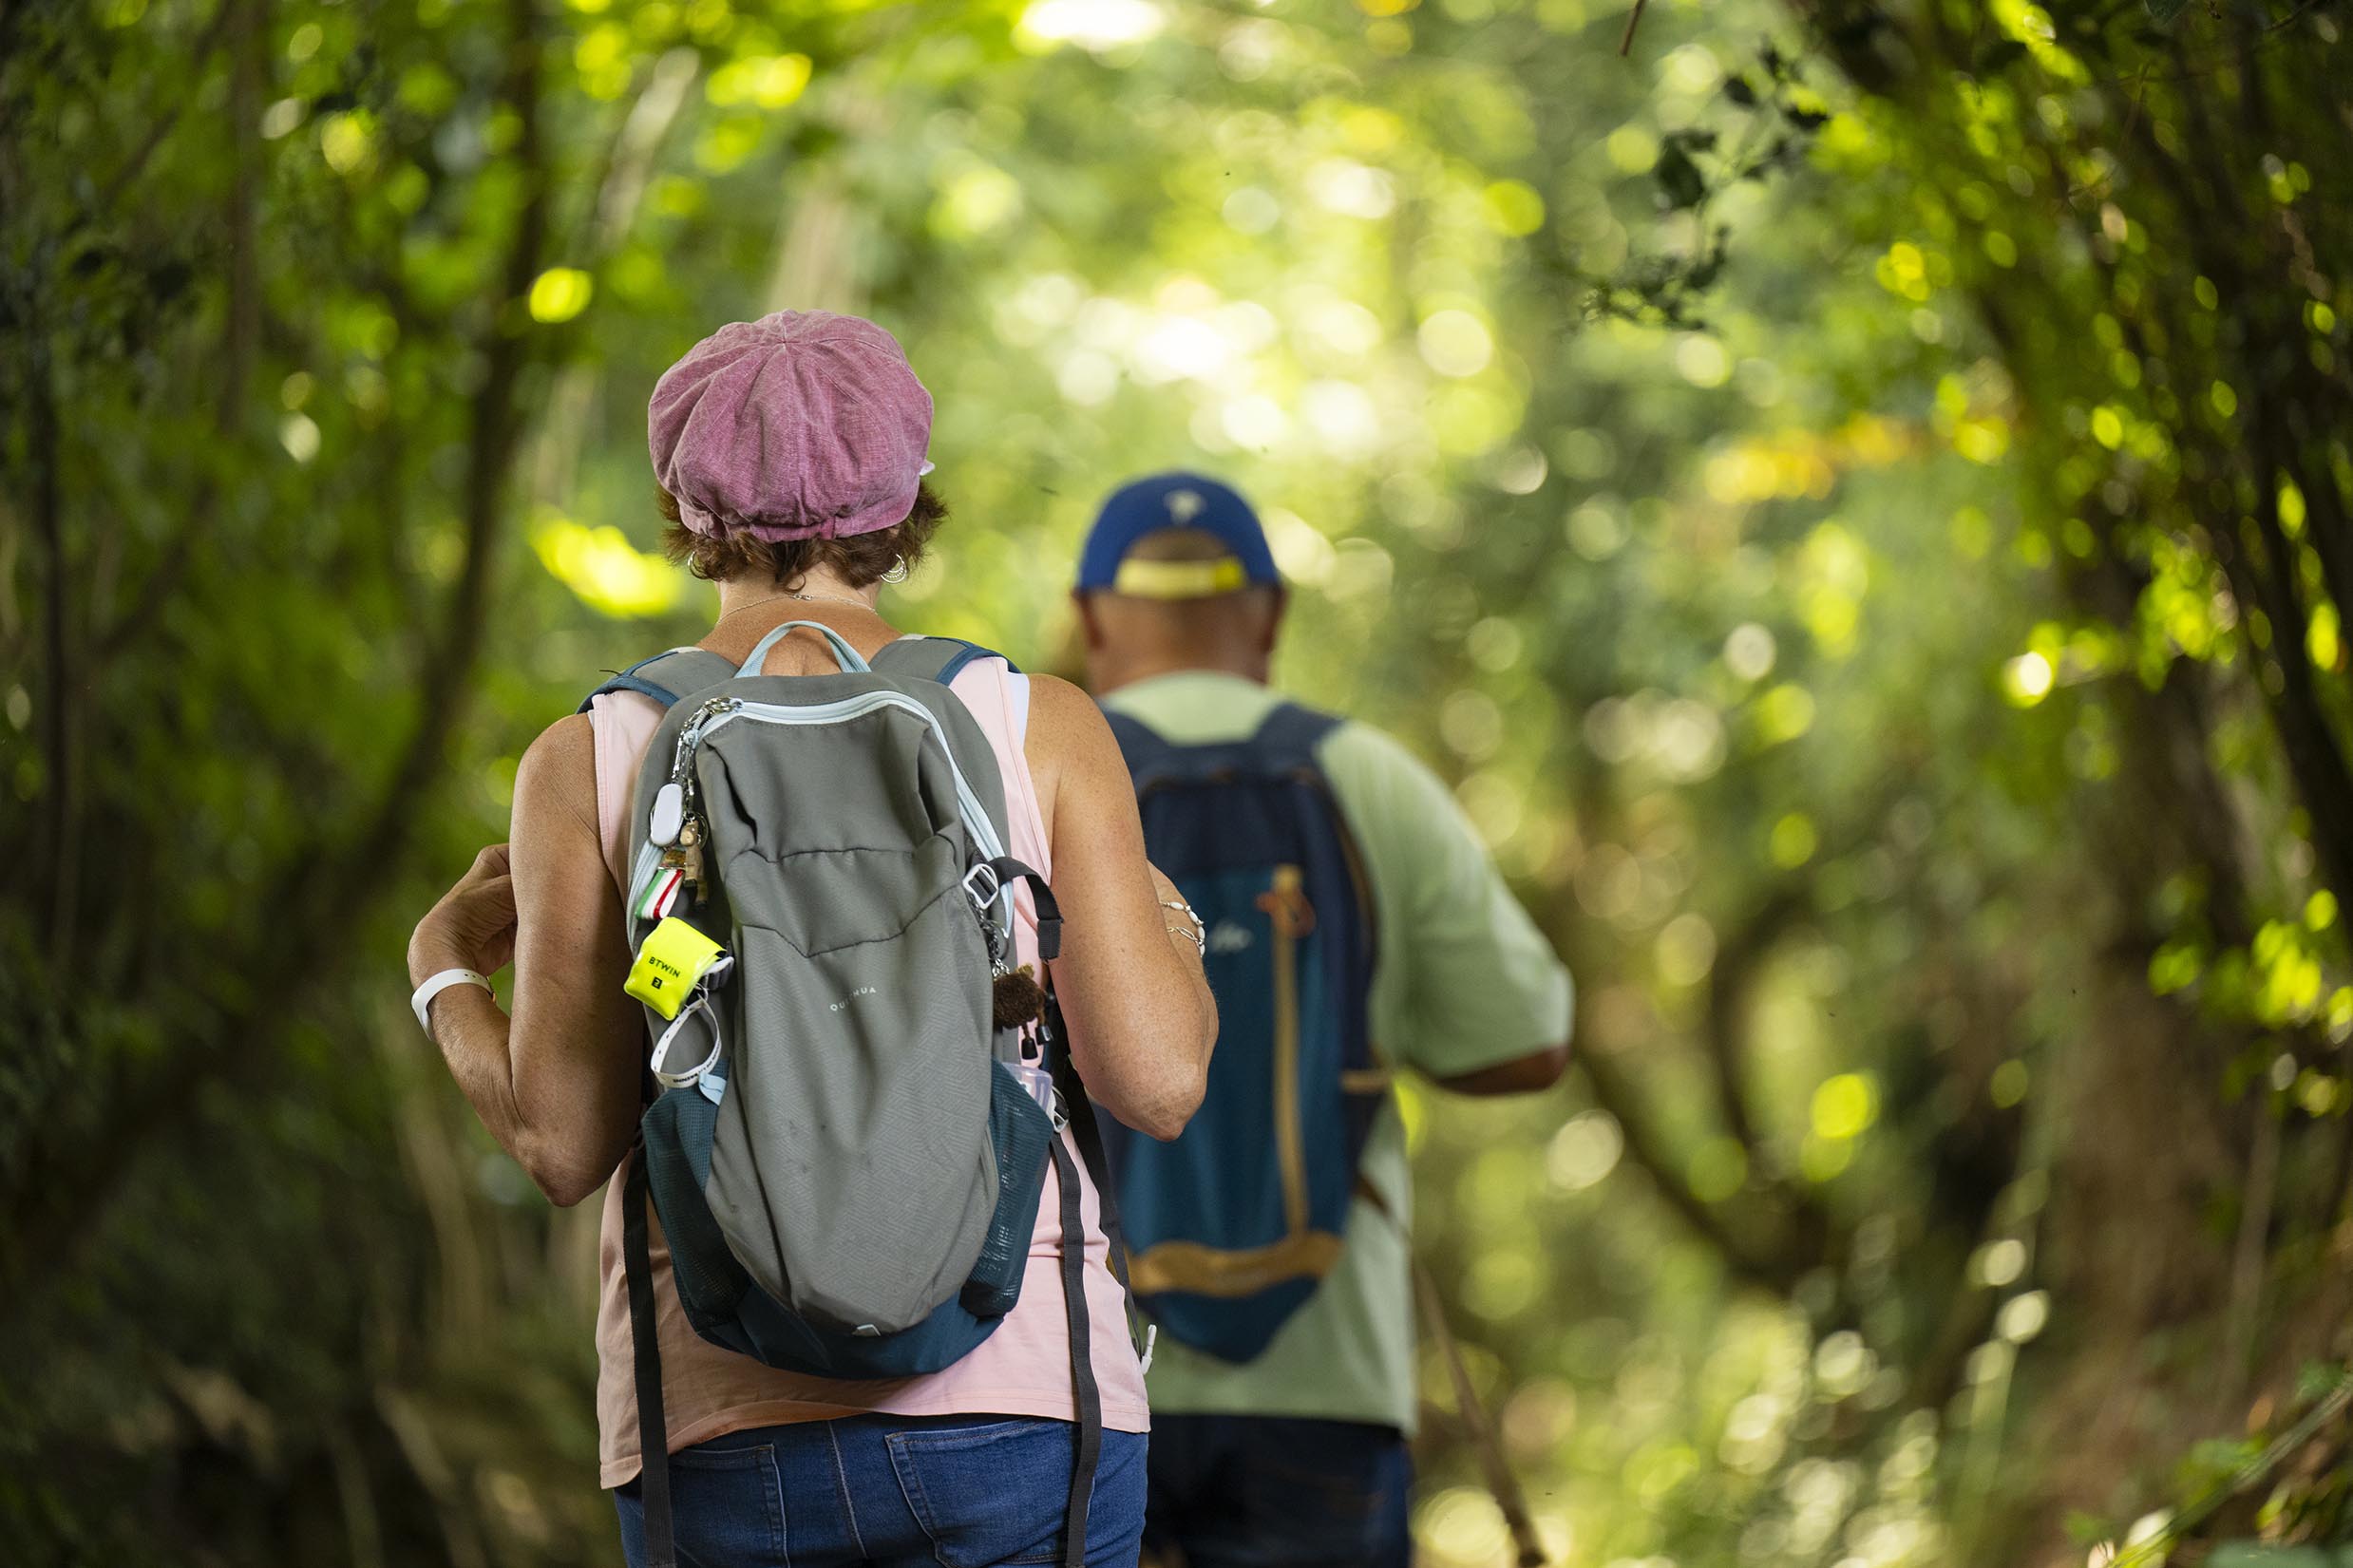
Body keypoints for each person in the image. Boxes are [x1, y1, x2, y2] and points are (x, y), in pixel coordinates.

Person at [406, 312, 1218, 1568]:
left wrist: (442, 968)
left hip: (717, 1423)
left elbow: (562, 1145)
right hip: (1021, 1401)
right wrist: (1166, 916)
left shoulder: (589, 756)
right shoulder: (1034, 726)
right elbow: (1156, 1083)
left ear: (684, 502)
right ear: (903, 496)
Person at [1071, 473, 1573, 1568]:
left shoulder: (1035, 782)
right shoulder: (1366, 779)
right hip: (1325, 1374)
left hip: (1077, 1369)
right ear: (1270, 613)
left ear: (1091, 617)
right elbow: (1530, 1041)